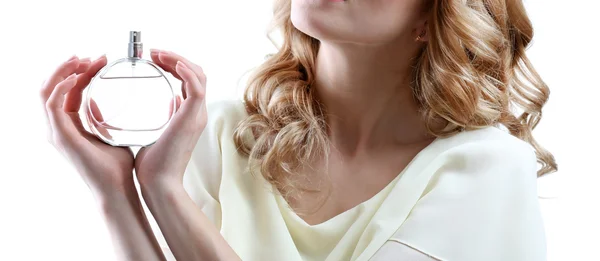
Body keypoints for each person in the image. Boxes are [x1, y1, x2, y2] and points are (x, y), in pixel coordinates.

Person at [40, 0, 557, 260]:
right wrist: (115, 192)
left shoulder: (486, 169)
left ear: (432, 17)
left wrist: (163, 191)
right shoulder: (220, 133)